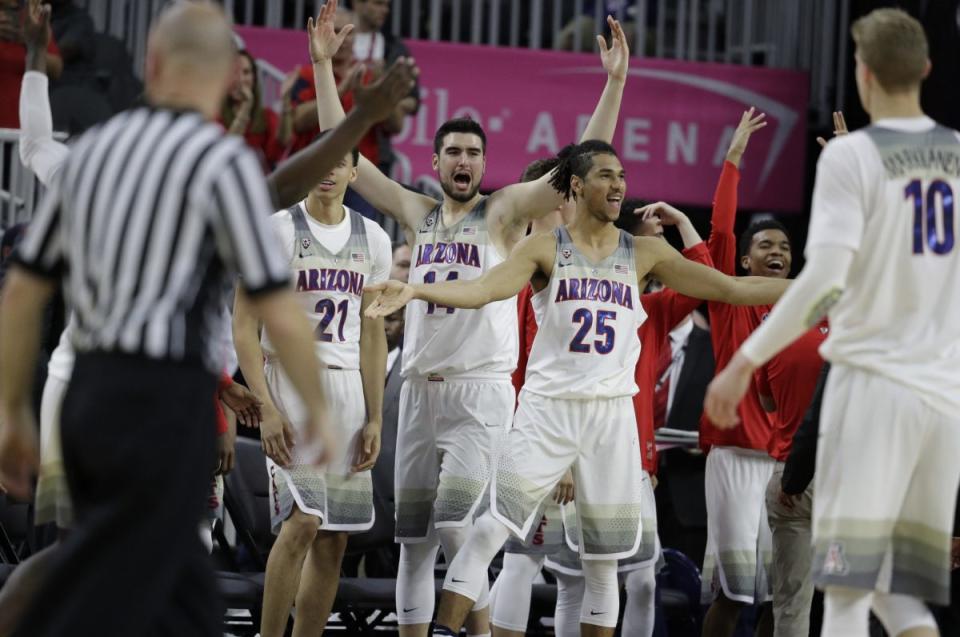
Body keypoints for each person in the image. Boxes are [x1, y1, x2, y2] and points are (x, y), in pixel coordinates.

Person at [0, 3, 416, 635]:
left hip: (83, 386)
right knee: (175, 564)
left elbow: (24, 294)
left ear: (151, 63)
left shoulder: (90, 157)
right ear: (226, 79)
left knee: (75, 552)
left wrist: (9, 410)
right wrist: (360, 116)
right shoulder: (219, 165)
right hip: (169, 397)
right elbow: (275, 297)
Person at [364, 139, 789, 637]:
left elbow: (733, 289)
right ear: (578, 185)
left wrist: (823, 285)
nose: (619, 185)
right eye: (607, 175)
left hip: (610, 419)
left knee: (604, 567)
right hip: (547, 411)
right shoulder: (544, 247)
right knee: (486, 533)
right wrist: (416, 288)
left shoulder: (645, 251)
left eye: (622, 176)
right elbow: (483, 290)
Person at [311, 3, 632, 634]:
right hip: (418, 393)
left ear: (485, 165)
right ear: (435, 163)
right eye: (453, 151)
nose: (464, 161)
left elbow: (577, 166)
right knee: (413, 546)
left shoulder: (505, 213)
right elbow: (343, 147)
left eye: (474, 154)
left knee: (461, 527)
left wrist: (614, 82)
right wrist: (323, 66)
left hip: (481, 392)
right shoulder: (417, 211)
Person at [705, 8, 960, 637]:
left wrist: (742, 361)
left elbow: (820, 280)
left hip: (870, 401)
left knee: (845, 596)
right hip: (939, 407)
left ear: (863, 73)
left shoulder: (856, 160)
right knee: (894, 598)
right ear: (926, 70)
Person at [234, 139, 391, 637]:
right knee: (301, 523)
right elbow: (243, 325)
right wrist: (266, 406)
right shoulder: (275, 231)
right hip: (290, 386)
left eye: (339, 162)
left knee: (333, 540)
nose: (328, 170)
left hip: (347, 393)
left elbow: (372, 337)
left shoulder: (375, 239)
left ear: (354, 172)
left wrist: (375, 417)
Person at [692, 108, 785, 637]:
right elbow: (722, 230)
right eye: (765, 246)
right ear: (746, 263)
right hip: (730, 459)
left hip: (778, 467)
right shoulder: (730, 302)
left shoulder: (801, 312)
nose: (776, 252)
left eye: (784, 247)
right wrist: (732, 160)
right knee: (734, 591)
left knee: (778, 594)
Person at [350, 0, 419, 175]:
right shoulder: (337, 41)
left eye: (387, 5)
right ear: (357, 3)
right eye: (378, 4)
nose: (385, 10)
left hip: (377, 154)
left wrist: (392, 102)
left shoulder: (395, 48)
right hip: (333, 149)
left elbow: (413, 99)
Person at [220, 49, 294, 171]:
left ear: (254, 78)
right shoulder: (214, 117)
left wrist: (285, 101)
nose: (240, 79)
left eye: (246, 72)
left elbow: (281, 146)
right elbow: (224, 152)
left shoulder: (267, 116)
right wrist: (245, 109)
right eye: (234, 73)